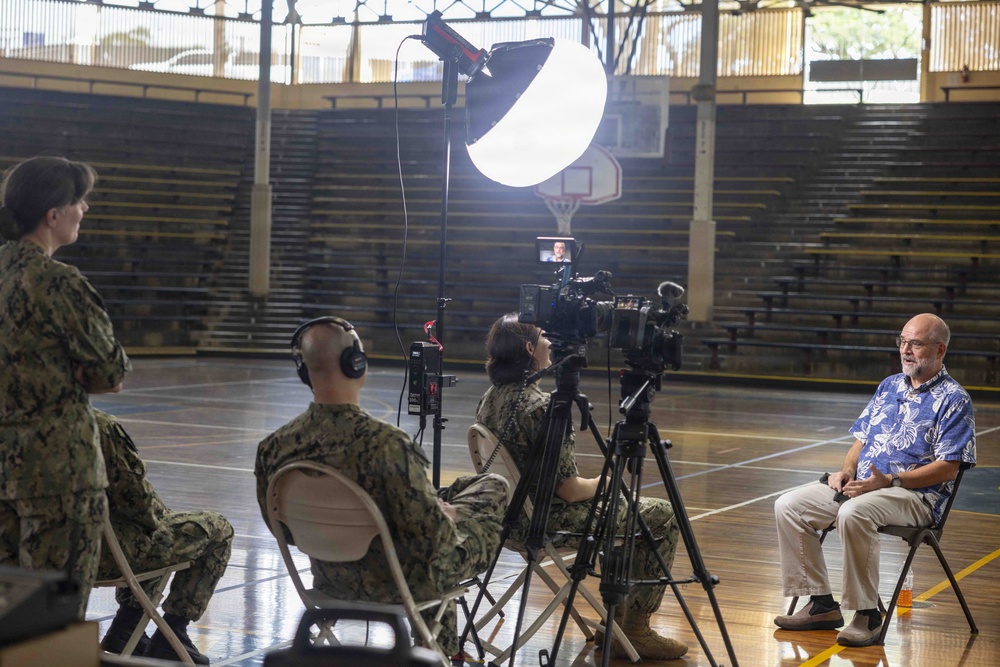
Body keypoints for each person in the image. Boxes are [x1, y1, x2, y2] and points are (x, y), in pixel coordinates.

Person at [254, 316, 508, 658]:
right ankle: (439, 656)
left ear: (305, 370)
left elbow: (280, 531)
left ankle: (444, 652)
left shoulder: (274, 447)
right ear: (355, 363)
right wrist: (444, 515)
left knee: (457, 493)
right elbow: (436, 540)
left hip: (330, 580)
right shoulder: (386, 445)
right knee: (492, 491)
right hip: (400, 585)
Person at [475, 314, 687, 661]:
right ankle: (634, 629)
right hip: (545, 523)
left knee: (620, 513)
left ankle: (614, 623)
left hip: (506, 521)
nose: (552, 344)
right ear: (530, 349)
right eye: (546, 337)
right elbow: (570, 491)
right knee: (659, 515)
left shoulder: (491, 397)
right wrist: (606, 482)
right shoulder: (543, 407)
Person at [773, 313, 976, 647]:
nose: (906, 350)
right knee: (789, 505)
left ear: (940, 350)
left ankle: (867, 614)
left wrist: (891, 481)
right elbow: (861, 441)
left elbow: (949, 468)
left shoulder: (955, 399)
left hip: (915, 497)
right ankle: (822, 604)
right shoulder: (890, 385)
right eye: (903, 341)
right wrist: (846, 471)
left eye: (916, 343)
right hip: (865, 486)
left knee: (853, 513)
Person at [0, 156, 131, 617]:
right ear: (52, 215)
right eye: (79, 201)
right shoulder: (57, 283)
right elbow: (109, 370)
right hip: (59, 474)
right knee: (54, 621)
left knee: (8, 621)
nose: (85, 209)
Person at [93, 409, 233, 665]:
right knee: (214, 529)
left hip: (33, 562)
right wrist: (161, 514)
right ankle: (172, 634)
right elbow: (138, 503)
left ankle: (126, 630)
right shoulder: (96, 426)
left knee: (152, 529)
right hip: (98, 558)